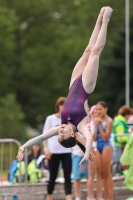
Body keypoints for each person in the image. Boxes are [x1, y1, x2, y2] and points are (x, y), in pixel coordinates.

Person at [17, 7, 113, 170]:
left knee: (88, 50)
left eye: (59, 134)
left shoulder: (61, 124)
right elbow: (89, 140)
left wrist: (23, 147)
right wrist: (85, 155)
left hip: (73, 83)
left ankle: (99, 17)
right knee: (95, 52)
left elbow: (40, 138)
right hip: (85, 86)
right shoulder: (81, 125)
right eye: (63, 134)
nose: (60, 131)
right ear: (72, 135)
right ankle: (106, 21)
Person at [43, 97, 72, 200]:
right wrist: (46, 149)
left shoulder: (69, 119)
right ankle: (49, 196)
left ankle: (68, 197)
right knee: (52, 177)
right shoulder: (50, 119)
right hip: (54, 151)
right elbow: (45, 136)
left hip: (66, 151)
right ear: (58, 106)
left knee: (67, 176)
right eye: (61, 105)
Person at [93, 101, 113, 200]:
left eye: (100, 109)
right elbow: (94, 138)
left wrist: (100, 125)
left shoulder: (109, 121)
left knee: (107, 172)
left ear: (106, 109)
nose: (98, 111)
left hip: (106, 146)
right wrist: (95, 125)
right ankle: (106, 197)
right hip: (98, 146)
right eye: (97, 109)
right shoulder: (97, 121)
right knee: (101, 173)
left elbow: (105, 137)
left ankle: (110, 197)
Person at [87, 105, 103, 200]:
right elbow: (88, 139)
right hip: (93, 151)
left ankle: (100, 196)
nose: (96, 113)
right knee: (92, 175)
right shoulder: (89, 125)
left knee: (100, 175)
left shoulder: (103, 123)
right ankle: (91, 196)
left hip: (102, 151)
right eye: (94, 112)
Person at [112, 105, 132, 175]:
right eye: (129, 115)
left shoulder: (120, 121)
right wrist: (130, 138)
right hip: (118, 145)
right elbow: (120, 137)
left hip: (120, 145)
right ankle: (118, 173)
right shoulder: (119, 123)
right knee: (118, 161)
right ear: (126, 114)